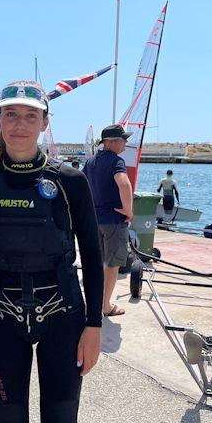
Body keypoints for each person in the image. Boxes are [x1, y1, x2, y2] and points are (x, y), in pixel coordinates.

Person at [0, 81, 103, 423]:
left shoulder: (71, 181)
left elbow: (94, 257)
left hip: (64, 318)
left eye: (30, 116)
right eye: (11, 115)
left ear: (45, 122)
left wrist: (93, 325)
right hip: (2, 320)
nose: (20, 125)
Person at [83, 124, 133, 317]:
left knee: (96, 262)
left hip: (94, 220)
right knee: (112, 264)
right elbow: (124, 184)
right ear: (111, 142)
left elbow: (85, 189)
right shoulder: (116, 161)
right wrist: (128, 210)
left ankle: (93, 303)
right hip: (113, 220)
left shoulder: (90, 162)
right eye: (123, 139)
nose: (126, 143)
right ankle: (104, 306)